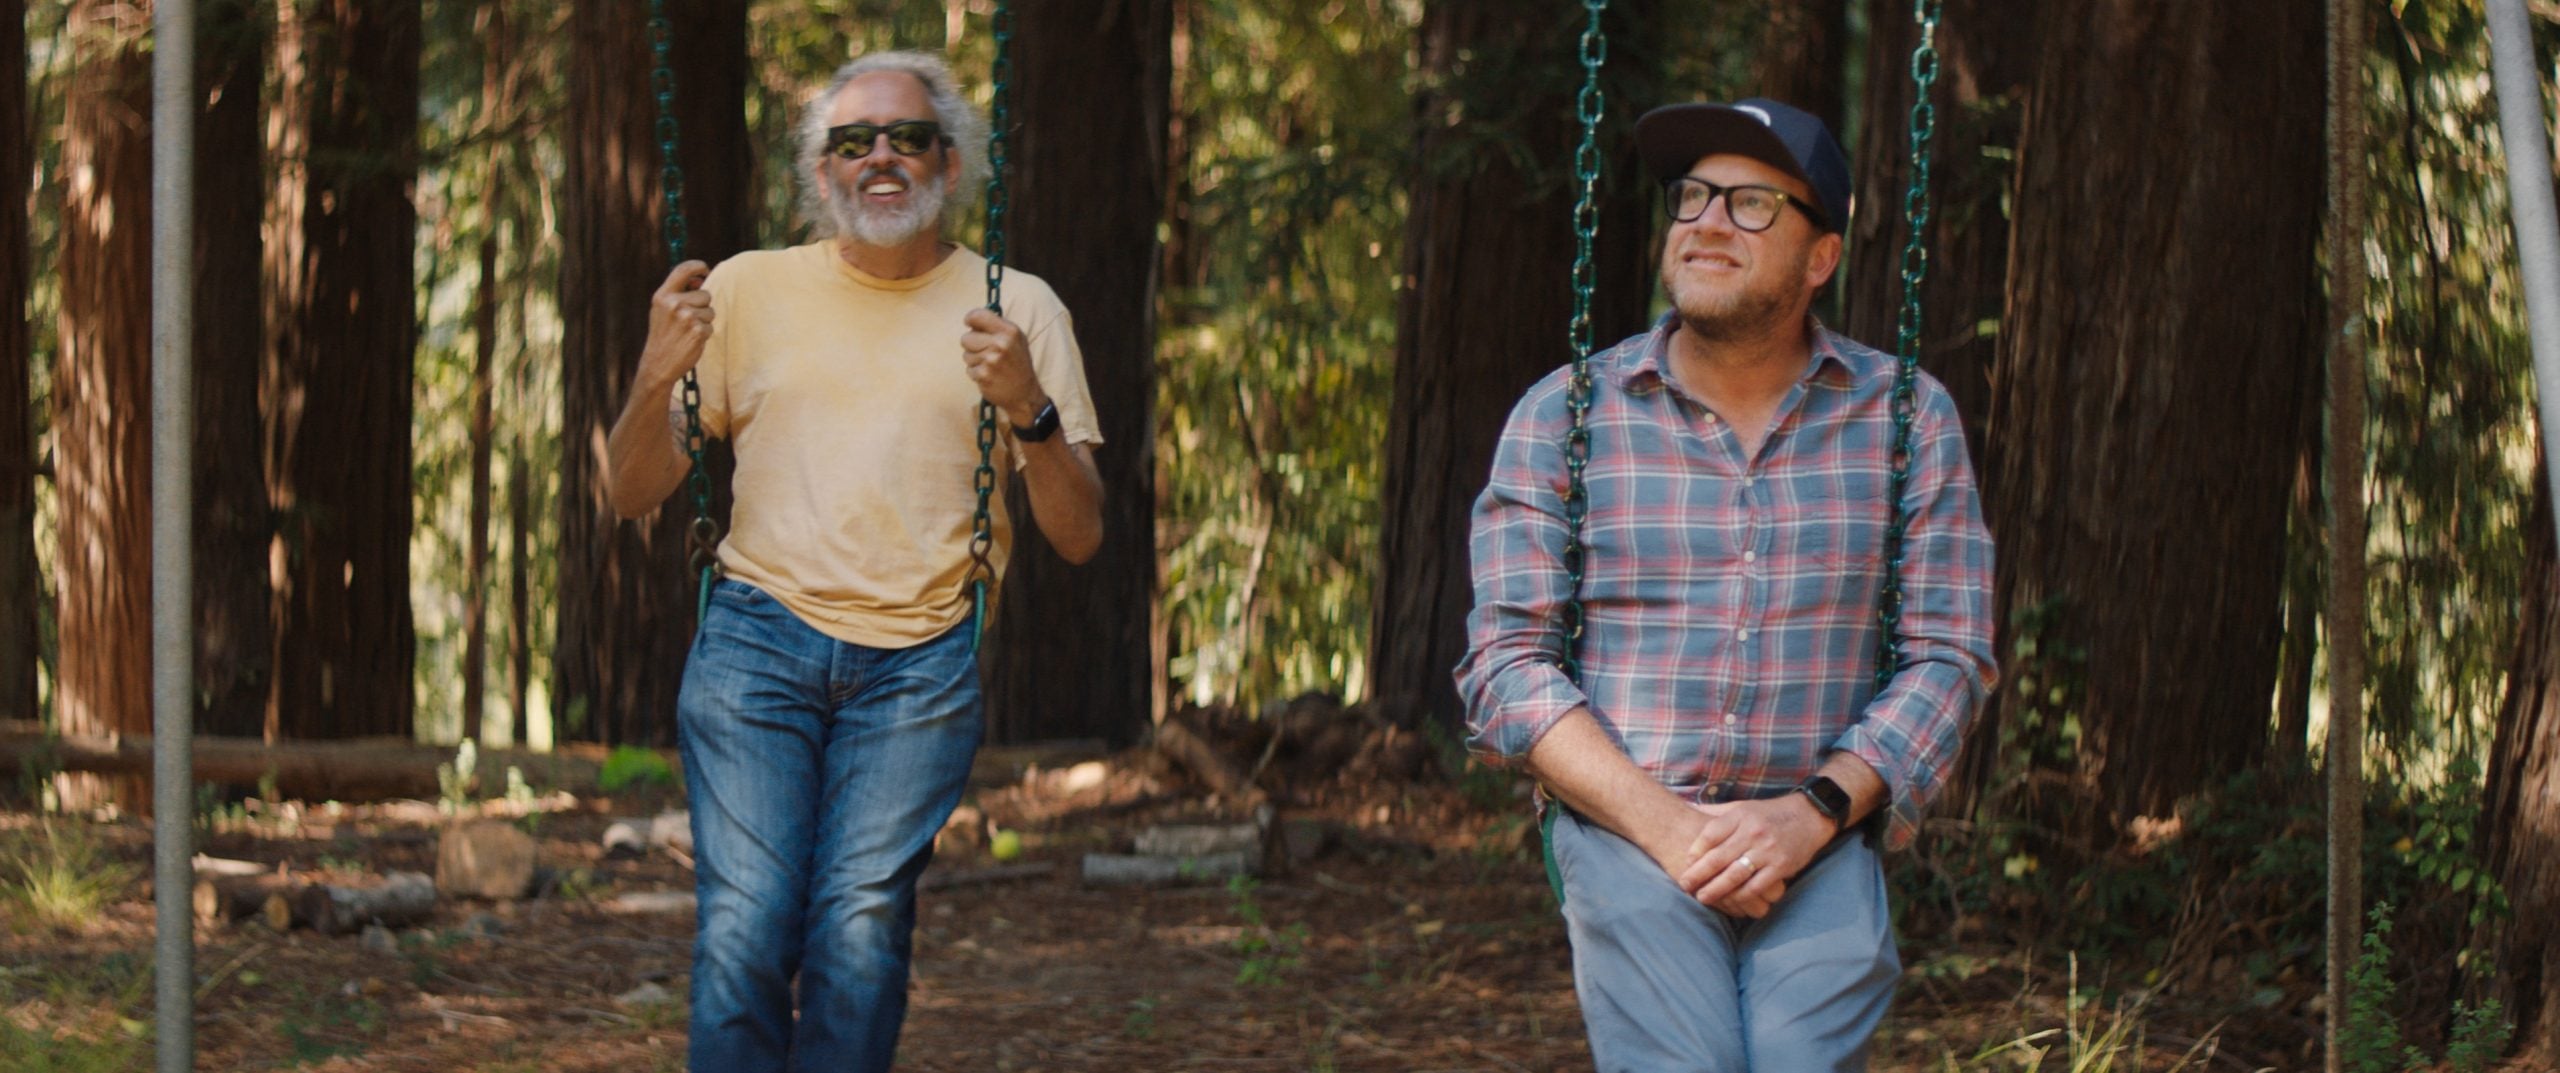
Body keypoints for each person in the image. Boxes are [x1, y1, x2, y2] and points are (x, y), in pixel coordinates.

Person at [1454, 98, 1996, 1071]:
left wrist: (1812, 813)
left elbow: (1946, 653)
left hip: (1823, 828)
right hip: (1624, 826)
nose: (1705, 221)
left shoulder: (1907, 419)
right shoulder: (1562, 418)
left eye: (1751, 203)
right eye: (1692, 195)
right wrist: (1668, 826)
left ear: (1819, 255)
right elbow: (1504, 665)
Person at [603, 49, 1105, 1073]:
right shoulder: (747, 292)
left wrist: (1028, 409)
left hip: (919, 660)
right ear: (821, 170)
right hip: (757, 641)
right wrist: (656, 374)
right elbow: (629, 488)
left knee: (860, 926)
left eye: (907, 136)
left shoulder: (1019, 307)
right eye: (853, 140)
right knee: (746, 923)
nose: (881, 156)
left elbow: (1079, 530)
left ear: (950, 164)